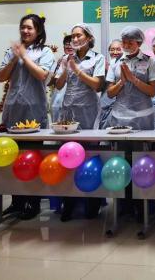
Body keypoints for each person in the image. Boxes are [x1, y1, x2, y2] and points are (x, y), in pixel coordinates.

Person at [0, 14, 55, 220]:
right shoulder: (11, 51)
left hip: (34, 110)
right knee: (14, 157)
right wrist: (15, 57)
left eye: (30, 28)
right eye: (23, 27)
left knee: (33, 157)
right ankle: (16, 202)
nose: (25, 31)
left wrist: (25, 56)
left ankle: (33, 202)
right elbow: (1, 77)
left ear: (38, 31)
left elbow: (42, 75)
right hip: (13, 109)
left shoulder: (45, 51)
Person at [54, 24, 105, 222]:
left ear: (89, 38)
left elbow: (97, 85)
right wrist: (66, 69)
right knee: (68, 157)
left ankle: (93, 202)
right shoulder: (68, 58)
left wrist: (78, 71)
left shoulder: (97, 58)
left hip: (88, 112)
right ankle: (69, 203)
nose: (74, 39)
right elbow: (58, 85)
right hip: (68, 112)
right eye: (72, 36)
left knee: (90, 156)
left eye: (78, 36)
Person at [105, 27, 155, 130]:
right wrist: (122, 82)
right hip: (120, 116)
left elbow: (152, 92)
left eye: (130, 43)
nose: (126, 46)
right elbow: (110, 94)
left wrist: (134, 79)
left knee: (143, 141)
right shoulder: (115, 62)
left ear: (139, 43)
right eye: (124, 42)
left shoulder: (150, 61)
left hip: (143, 116)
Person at [98, 39, 123, 129]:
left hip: (119, 102)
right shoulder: (104, 65)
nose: (115, 52)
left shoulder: (125, 64)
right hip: (105, 102)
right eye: (112, 49)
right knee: (102, 126)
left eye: (118, 49)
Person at [49, 35, 73, 124]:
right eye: (67, 44)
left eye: (71, 44)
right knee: (57, 127)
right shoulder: (58, 62)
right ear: (63, 47)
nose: (69, 46)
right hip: (57, 101)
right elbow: (49, 82)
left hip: (73, 103)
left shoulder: (81, 62)